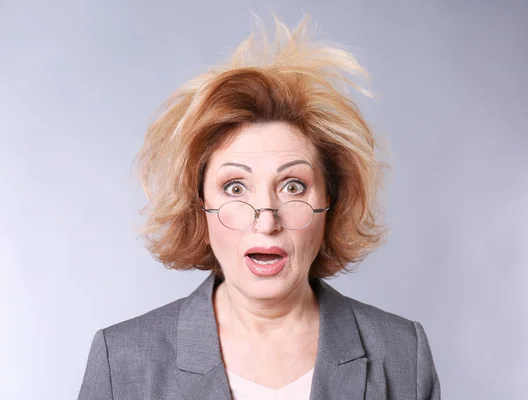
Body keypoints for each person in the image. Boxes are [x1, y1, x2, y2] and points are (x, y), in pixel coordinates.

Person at [78, 14, 440, 400]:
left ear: (329, 202)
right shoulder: (122, 361)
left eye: (292, 186)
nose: (266, 220)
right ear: (200, 205)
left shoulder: (401, 353)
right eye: (235, 187)